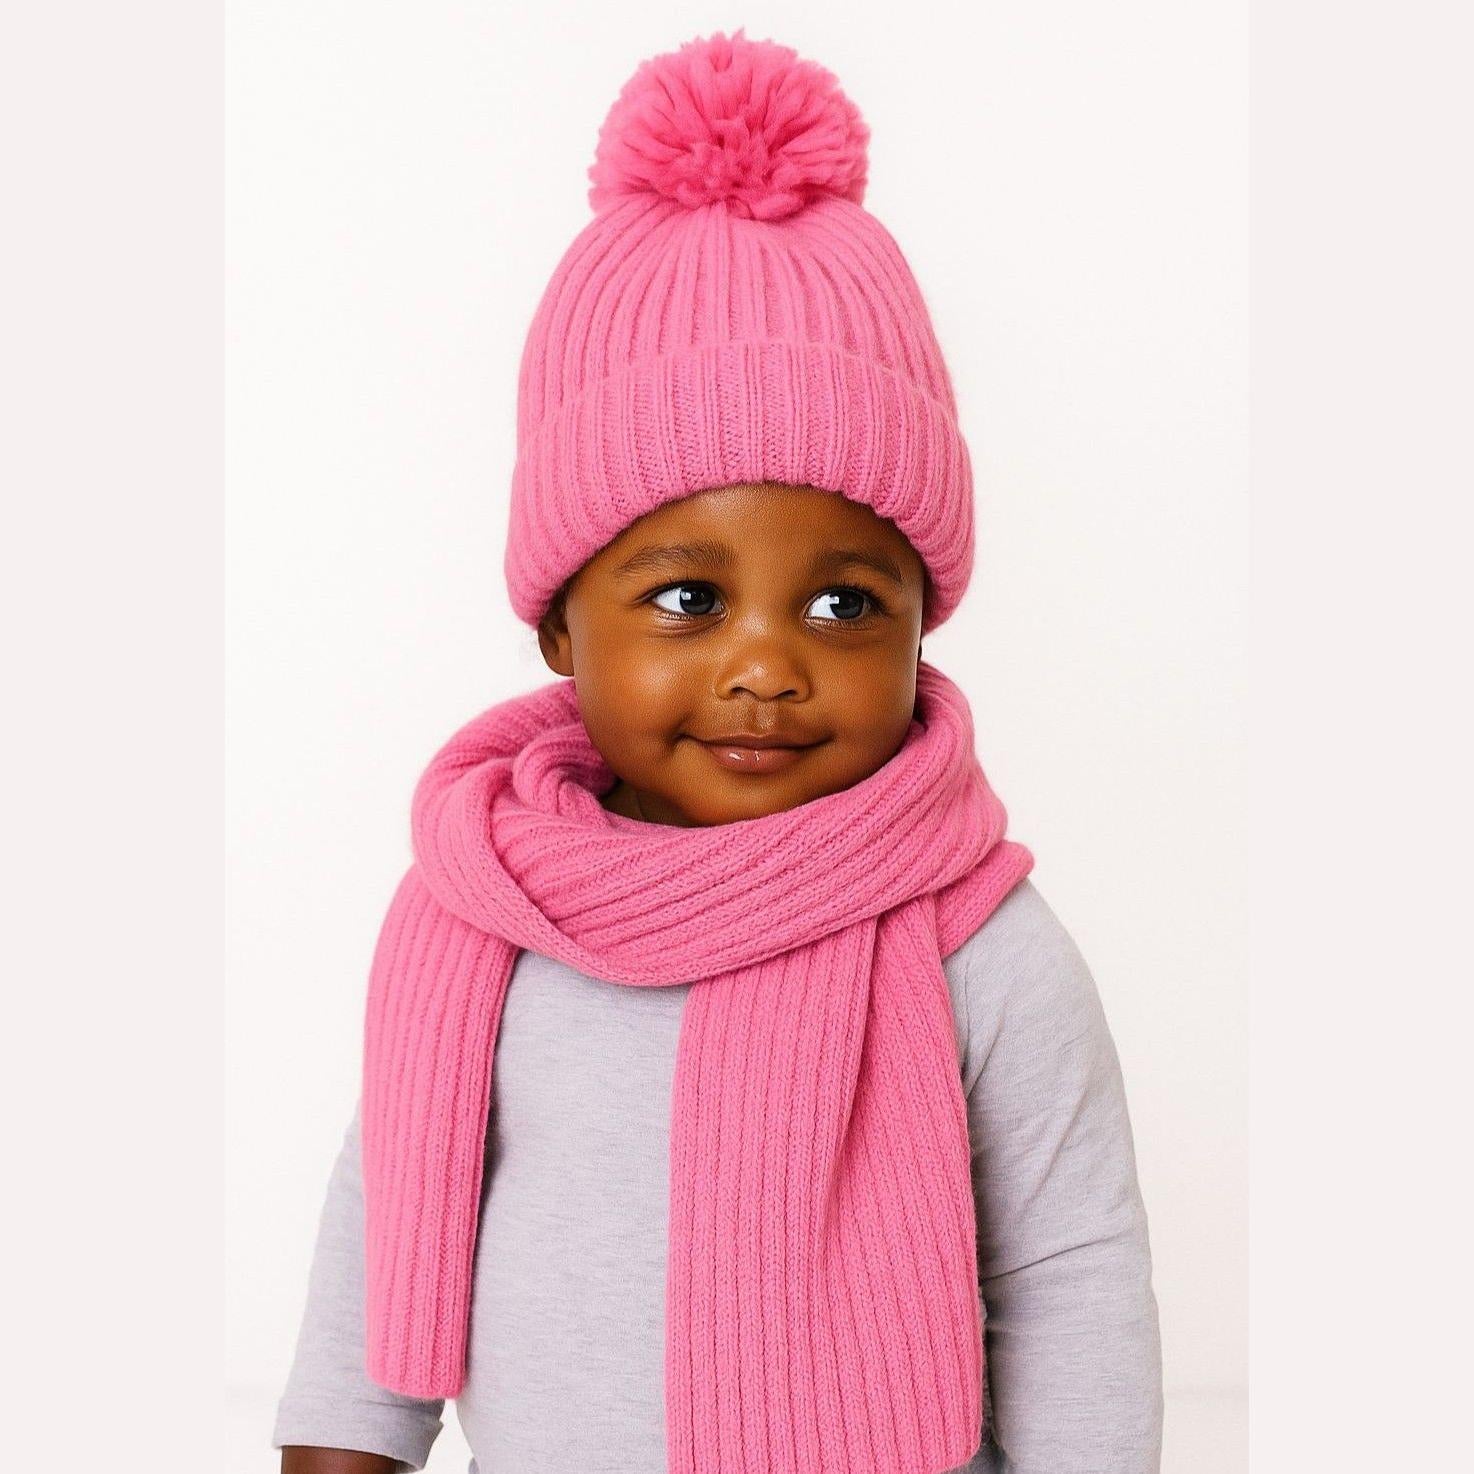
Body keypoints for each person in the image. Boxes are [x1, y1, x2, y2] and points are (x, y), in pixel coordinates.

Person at [272, 28, 1163, 1474]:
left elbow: (1068, 1271)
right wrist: (343, 1444)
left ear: (921, 625)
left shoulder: (972, 937)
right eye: (686, 599)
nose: (765, 659)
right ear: (559, 629)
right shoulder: (486, 911)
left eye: (843, 601)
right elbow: (392, 1197)